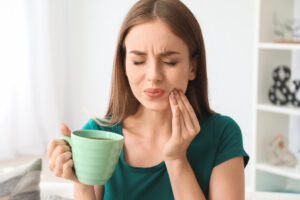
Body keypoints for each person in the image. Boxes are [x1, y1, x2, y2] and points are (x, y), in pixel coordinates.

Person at [47, 0, 250, 199]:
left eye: (169, 62)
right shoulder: (100, 134)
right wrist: (81, 183)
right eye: (138, 61)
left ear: (192, 67)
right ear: (124, 65)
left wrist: (177, 159)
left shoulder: (222, 134)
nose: (153, 75)